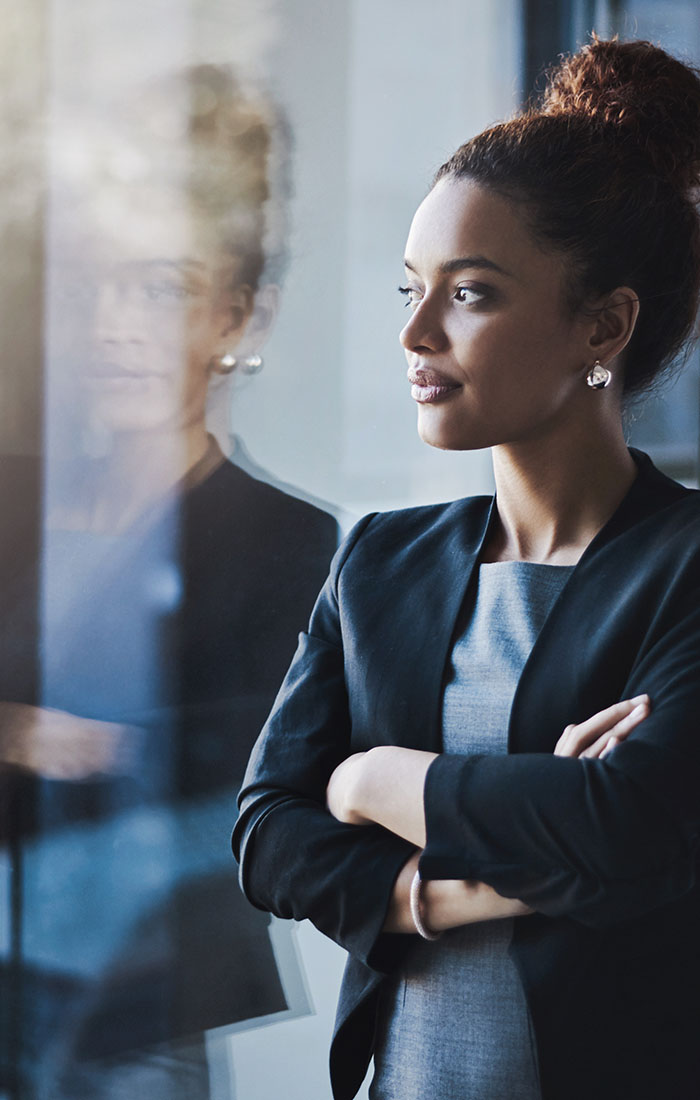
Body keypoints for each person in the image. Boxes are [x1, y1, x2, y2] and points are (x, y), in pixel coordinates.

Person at [233, 36, 700, 1100]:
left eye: (471, 293)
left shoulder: (684, 564)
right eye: (411, 286)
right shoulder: (380, 561)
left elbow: (630, 831)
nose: (414, 331)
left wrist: (370, 778)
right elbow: (268, 832)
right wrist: (459, 887)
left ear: (603, 324)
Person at [0, 66, 338, 1099]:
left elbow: (223, 780)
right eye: (92, 284)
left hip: (139, 1006)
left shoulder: (287, 538)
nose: (113, 324)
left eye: (162, 288)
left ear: (238, 318)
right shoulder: (10, 497)